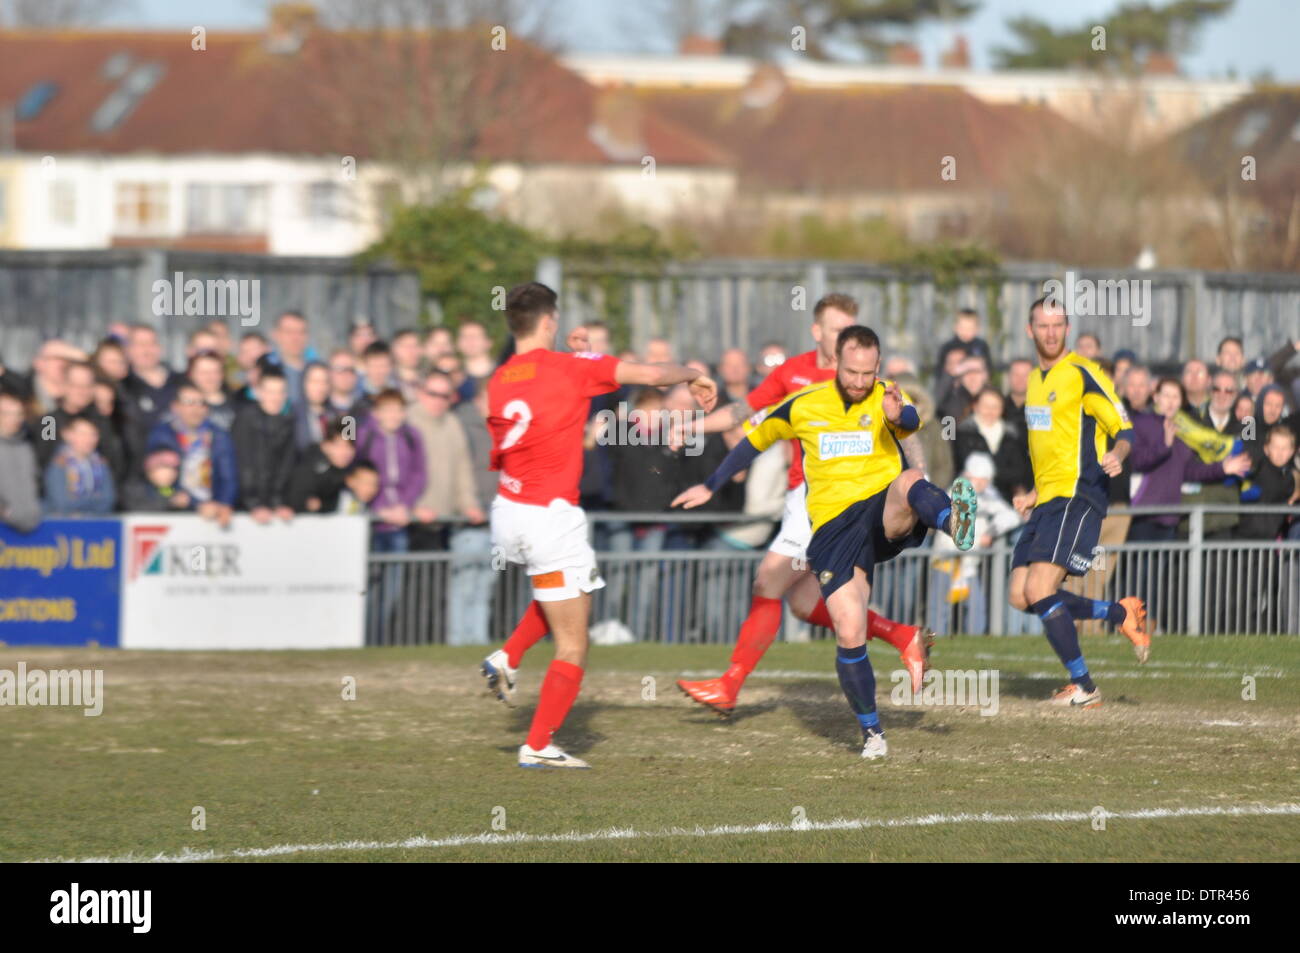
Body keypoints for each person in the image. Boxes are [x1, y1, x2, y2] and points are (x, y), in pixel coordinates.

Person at [674, 325, 977, 760]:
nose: (859, 382)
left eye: (867, 373)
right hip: (834, 530)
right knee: (849, 629)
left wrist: (898, 415)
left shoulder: (887, 395)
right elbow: (752, 442)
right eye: (852, 372)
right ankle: (873, 733)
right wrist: (710, 484)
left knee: (911, 479)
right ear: (836, 363)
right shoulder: (803, 405)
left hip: (880, 509)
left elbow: (910, 422)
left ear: (877, 367)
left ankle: (953, 520)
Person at [478, 281, 717, 769]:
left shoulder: (500, 377)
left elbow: (550, 393)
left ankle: (507, 656)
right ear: (550, 321)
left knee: (560, 598)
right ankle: (539, 744)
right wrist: (692, 373)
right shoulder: (569, 367)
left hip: (508, 509)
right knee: (574, 640)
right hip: (551, 515)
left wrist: (582, 358)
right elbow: (649, 373)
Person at [1007, 298, 1149, 709]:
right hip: (1047, 498)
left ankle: (1083, 686)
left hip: (1078, 495)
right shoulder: (1034, 381)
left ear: (1067, 329)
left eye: (1058, 325)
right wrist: (1034, 491)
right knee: (1021, 595)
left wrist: (1118, 456)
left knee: (1039, 587)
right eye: (1042, 325)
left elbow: (1123, 427)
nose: (1050, 332)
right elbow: (1048, 444)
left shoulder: (1085, 373)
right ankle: (1119, 614)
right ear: (1029, 330)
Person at [929, 452, 1021, 635]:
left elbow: (1011, 516)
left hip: (970, 565)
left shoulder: (988, 494)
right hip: (947, 562)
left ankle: (974, 640)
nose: (985, 484)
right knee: (939, 610)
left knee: (977, 609)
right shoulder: (954, 493)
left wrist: (991, 532)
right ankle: (935, 642)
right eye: (982, 480)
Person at [407, 370, 484, 550]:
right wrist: (412, 507)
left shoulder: (453, 424)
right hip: (412, 521)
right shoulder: (406, 422)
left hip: (445, 520)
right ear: (420, 392)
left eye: (445, 396)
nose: (438, 401)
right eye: (432, 394)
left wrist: (469, 505)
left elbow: (462, 470)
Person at [146, 381, 238, 527]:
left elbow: (228, 475)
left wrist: (224, 503)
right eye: (189, 402)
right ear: (175, 406)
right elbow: (160, 482)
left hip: (214, 511)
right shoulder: (162, 435)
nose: (196, 408)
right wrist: (189, 502)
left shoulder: (218, 435)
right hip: (176, 512)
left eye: (201, 403)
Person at [356, 389, 426, 552]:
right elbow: (357, 472)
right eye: (388, 410)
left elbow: (418, 473)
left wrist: (405, 504)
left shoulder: (412, 436)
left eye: (398, 410)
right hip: (372, 514)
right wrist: (377, 508)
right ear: (376, 413)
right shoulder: (363, 436)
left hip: (401, 515)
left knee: (397, 566)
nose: (393, 416)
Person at [231, 367, 297, 524]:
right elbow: (242, 463)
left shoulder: (288, 421)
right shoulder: (245, 419)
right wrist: (253, 503)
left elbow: (286, 465)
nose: (276, 397)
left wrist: (278, 502)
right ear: (259, 392)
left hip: (272, 505)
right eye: (270, 391)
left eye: (280, 392)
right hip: (245, 505)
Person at [952, 386, 1032, 504]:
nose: (990, 411)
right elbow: (961, 466)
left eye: (995, 407)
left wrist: (992, 473)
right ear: (975, 407)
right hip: (971, 500)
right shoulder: (963, 433)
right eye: (986, 406)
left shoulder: (1011, 436)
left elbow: (1019, 471)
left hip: (1006, 500)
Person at [42, 415, 116, 516]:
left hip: (96, 522)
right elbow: (61, 503)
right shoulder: (59, 464)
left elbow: (109, 500)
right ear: (67, 435)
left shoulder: (101, 463)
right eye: (83, 434)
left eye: (93, 434)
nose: (89, 439)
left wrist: (82, 504)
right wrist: (94, 500)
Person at [288, 421, 357, 513]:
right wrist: (308, 503)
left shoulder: (345, 470)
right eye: (340, 446)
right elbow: (295, 500)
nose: (345, 452)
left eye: (350, 447)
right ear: (325, 445)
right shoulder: (309, 466)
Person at [0, 390, 41, 532]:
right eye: (8, 414)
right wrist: (6, 513)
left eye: (19, 414)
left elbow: (35, 483)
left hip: (31, 525)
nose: (15, 419)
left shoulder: (26, 448)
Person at [121, 448, 192, 512]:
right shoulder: (134, 488)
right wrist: (170, 502)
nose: (170, 476)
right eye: (163, 472)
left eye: (173, 471)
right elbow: (136, 507)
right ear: (150, 471)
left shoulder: (172, 489)